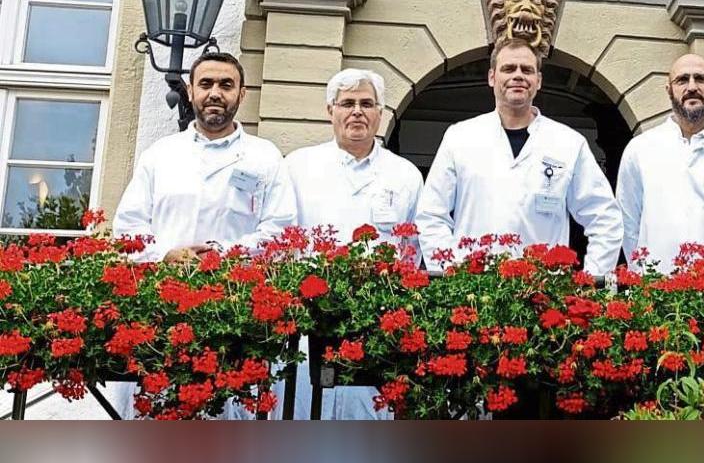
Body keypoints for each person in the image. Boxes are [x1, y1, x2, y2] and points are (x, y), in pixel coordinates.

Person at [112, 51, 297, 418]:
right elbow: (128, 226)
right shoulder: (160, 155)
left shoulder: (265, 157)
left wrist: (220, 254)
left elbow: (280, 230)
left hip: (236, 321)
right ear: (190, 91)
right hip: (161, 316)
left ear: (242, 94)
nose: (215, 93)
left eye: (226, 85)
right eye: (206, 84)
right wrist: (166, 255)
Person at [281, 68, 423, 420]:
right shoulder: (298, 166)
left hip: (374, 324)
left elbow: (412, 249)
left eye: (366, 103)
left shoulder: (405, 174)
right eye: (347, 103)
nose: (357, 111)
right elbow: (282, 239)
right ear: (330, 110)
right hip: (308, 322)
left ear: (380, 112)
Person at [416, 37, 623, 276]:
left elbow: (605, 218)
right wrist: (450, 275)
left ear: (539, 81)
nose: (518, 76)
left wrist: (590, 280)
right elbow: (431, 215)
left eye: (527, 70)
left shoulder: (568, 143)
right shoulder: (460, 137)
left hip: (544, 287)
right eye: (508, 68)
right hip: (473, 287)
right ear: (492, 77)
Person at [616, 53, 704, 273]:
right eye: (682, 80)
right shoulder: (640, 149)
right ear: (669, 90)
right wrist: (642, 273)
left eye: (700, 79)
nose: (692, 87)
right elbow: (628, 222)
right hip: (657, 285)